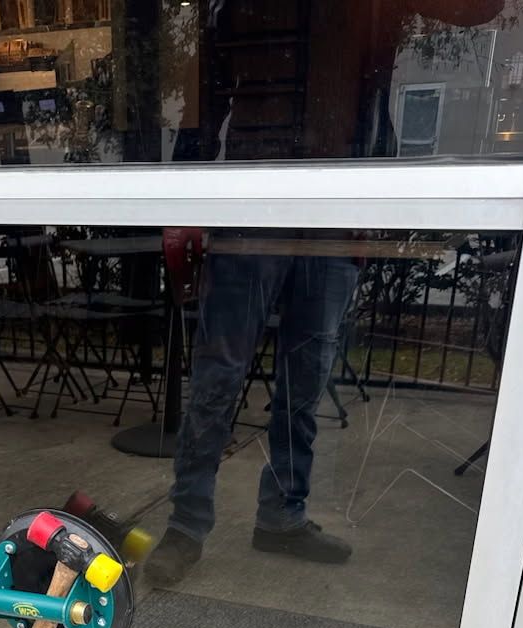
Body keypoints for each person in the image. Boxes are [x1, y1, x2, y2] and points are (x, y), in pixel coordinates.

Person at [147, 0, 504, 586]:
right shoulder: (229, 12)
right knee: (217, 380)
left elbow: (477, 9)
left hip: (335, 213)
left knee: (305, 379)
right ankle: (187, 526)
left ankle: (281, 516)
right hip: (250, 212)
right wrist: (185, 206)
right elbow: (204, 113)